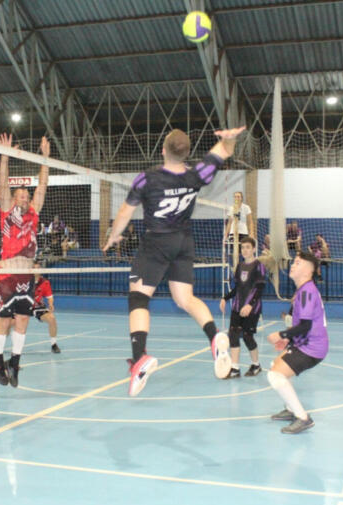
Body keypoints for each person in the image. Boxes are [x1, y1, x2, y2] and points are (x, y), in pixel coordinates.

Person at [103, 126, 246, 396]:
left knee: (138, 299)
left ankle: (139, 358)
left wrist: (113, 237)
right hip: (183, 240)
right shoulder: (197, 175)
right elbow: (224, 151)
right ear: (186, 153)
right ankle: (215, 337)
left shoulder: (147, 179)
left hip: (156, 242)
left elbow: (124, 211)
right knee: (185, 299)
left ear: (162, 150)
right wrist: (230, 139)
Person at [0, 133, 50, 389]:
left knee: (23, 319)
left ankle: (14, 362)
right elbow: (3, 183)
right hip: (7, 273)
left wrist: (45, 158)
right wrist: (4, 156)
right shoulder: (7, 211)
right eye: (21, 197)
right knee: (4, 320)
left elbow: (43, 186)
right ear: (14, 200)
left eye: (27, 197)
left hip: (26, 274)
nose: (25, 199)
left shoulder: (34, 214)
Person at [267, 251, 329, 434]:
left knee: (275, 375)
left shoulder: (306, 292)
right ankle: (291, 408)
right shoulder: (303, 290)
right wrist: (288, 339)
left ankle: (303, 417)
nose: (293, 265)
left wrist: (281, 334)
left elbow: (305, 325)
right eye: (294, 261)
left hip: (312, 347)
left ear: (309, 271)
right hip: (304, 343)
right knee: (275, 366)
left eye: (298, 263)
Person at [219, 237, 266, 378]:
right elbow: (237, 288)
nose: (244, 250)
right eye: (242, 247)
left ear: (253, 249)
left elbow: (260, 288)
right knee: (233, 335)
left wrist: (250, 305)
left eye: (247, 247)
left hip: (252, 308)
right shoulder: (239, 266)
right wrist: (225, 298)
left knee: (247, 336)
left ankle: (256, 365)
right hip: (237, 307)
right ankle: (235, 368)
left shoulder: (259, 266)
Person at [31, 262, 60, 353]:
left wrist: (51, 304)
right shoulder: (24, 281)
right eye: (34, 268)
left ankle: (54, 344)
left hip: (38, 307)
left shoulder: (45, 282)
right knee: (9, 321)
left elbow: (50, 297)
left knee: (52, 318)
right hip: (24, 306)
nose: (36, 270)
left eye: (38, 268)